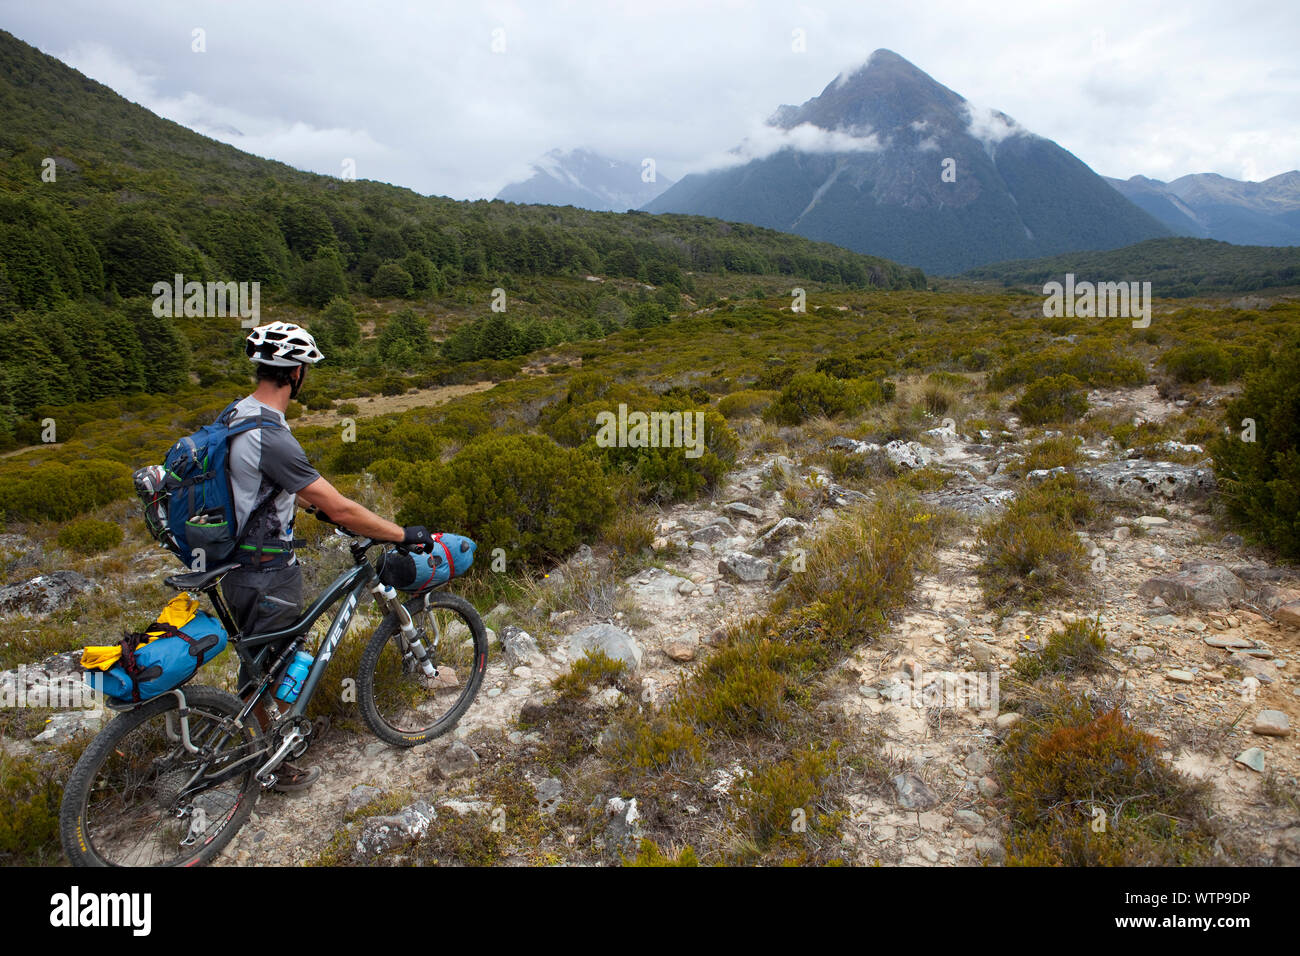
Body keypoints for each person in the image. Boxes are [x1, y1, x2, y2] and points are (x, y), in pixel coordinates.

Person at [225, 321, 436, 792]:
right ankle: (270, 764)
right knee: (274, 670)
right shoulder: (273, 435)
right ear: (296, 372)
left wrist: (304, 503)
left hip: (233, 568)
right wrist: (401, 533)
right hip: (267, 571)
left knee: (261, 664)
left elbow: (252, 484)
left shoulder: (236, 416)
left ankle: (258, 743)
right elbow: (341, 506)